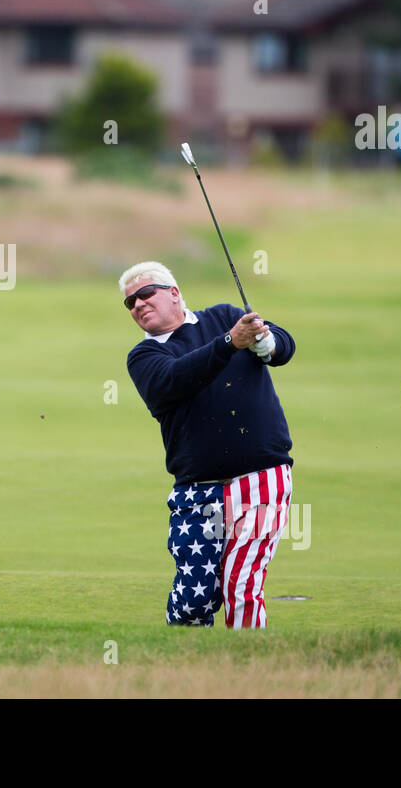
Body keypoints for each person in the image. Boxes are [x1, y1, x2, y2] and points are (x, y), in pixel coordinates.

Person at [120, 261, 296, 629]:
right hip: (197, 490)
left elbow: (283, 348)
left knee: (241, 583)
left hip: (261, 478)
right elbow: (175, 379)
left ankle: (248, 674)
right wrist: (231, 342)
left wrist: (267, 341)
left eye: (145, 293)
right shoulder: (144, 356)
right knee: (193, 598)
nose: (137, 304)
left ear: (174, 293)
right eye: (130, 302)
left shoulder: (224, 316)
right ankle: (189, 674)